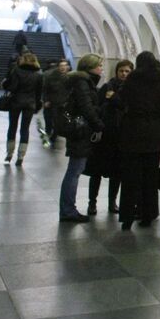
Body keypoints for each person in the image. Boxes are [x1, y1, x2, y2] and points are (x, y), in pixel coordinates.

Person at [116, 51, 160, 230]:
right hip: (154, 134)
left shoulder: (131, 81)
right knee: (150, 178)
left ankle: (126, 217)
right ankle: (148, 215)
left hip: (132, 133)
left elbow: (121, 102)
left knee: (130, 178)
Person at [58, 54, 104, 223]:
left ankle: (67, 208)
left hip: (79, 130)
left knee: (75, 169)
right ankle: (68, 210)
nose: (101, 68)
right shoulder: (82, 83)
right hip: (80, 131)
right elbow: (87, 107)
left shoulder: (81, 81)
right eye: (99, 65)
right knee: (75, 171)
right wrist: (99, 125)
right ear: (90, 67)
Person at [86, 59, 131, 216]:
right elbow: (96, 107)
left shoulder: (131, 90)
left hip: (121, 136)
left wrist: (113, 99)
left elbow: (129, 109)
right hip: (104, 135)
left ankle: (113, 202)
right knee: (96, 171)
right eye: (121, 71)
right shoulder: (107, 86)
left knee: (116, 172)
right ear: (116, 72)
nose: (124, 74)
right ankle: (92, 202)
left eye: (127, 71)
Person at [1, 50, 44, 166]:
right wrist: (37, 105)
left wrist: (6, 84)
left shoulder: (17, 71)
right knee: (25, 129)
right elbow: (39, 93)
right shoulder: (39, 74)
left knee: (12, 126)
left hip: (16, 102)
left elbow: (12, 87)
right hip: (30, 104)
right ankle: (21, 155)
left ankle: (9, 153)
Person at [40, 57, 72, 148]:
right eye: (61, 66)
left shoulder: (70, 77)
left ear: (68, 67)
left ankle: (53, 137)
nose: (63, 67)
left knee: (58, 122)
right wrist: (46, 100)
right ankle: (49, 135)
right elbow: (46, 89)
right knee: (50, 121)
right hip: (52, 103)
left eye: (65, 65)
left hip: (63, 104)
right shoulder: (52, 77)